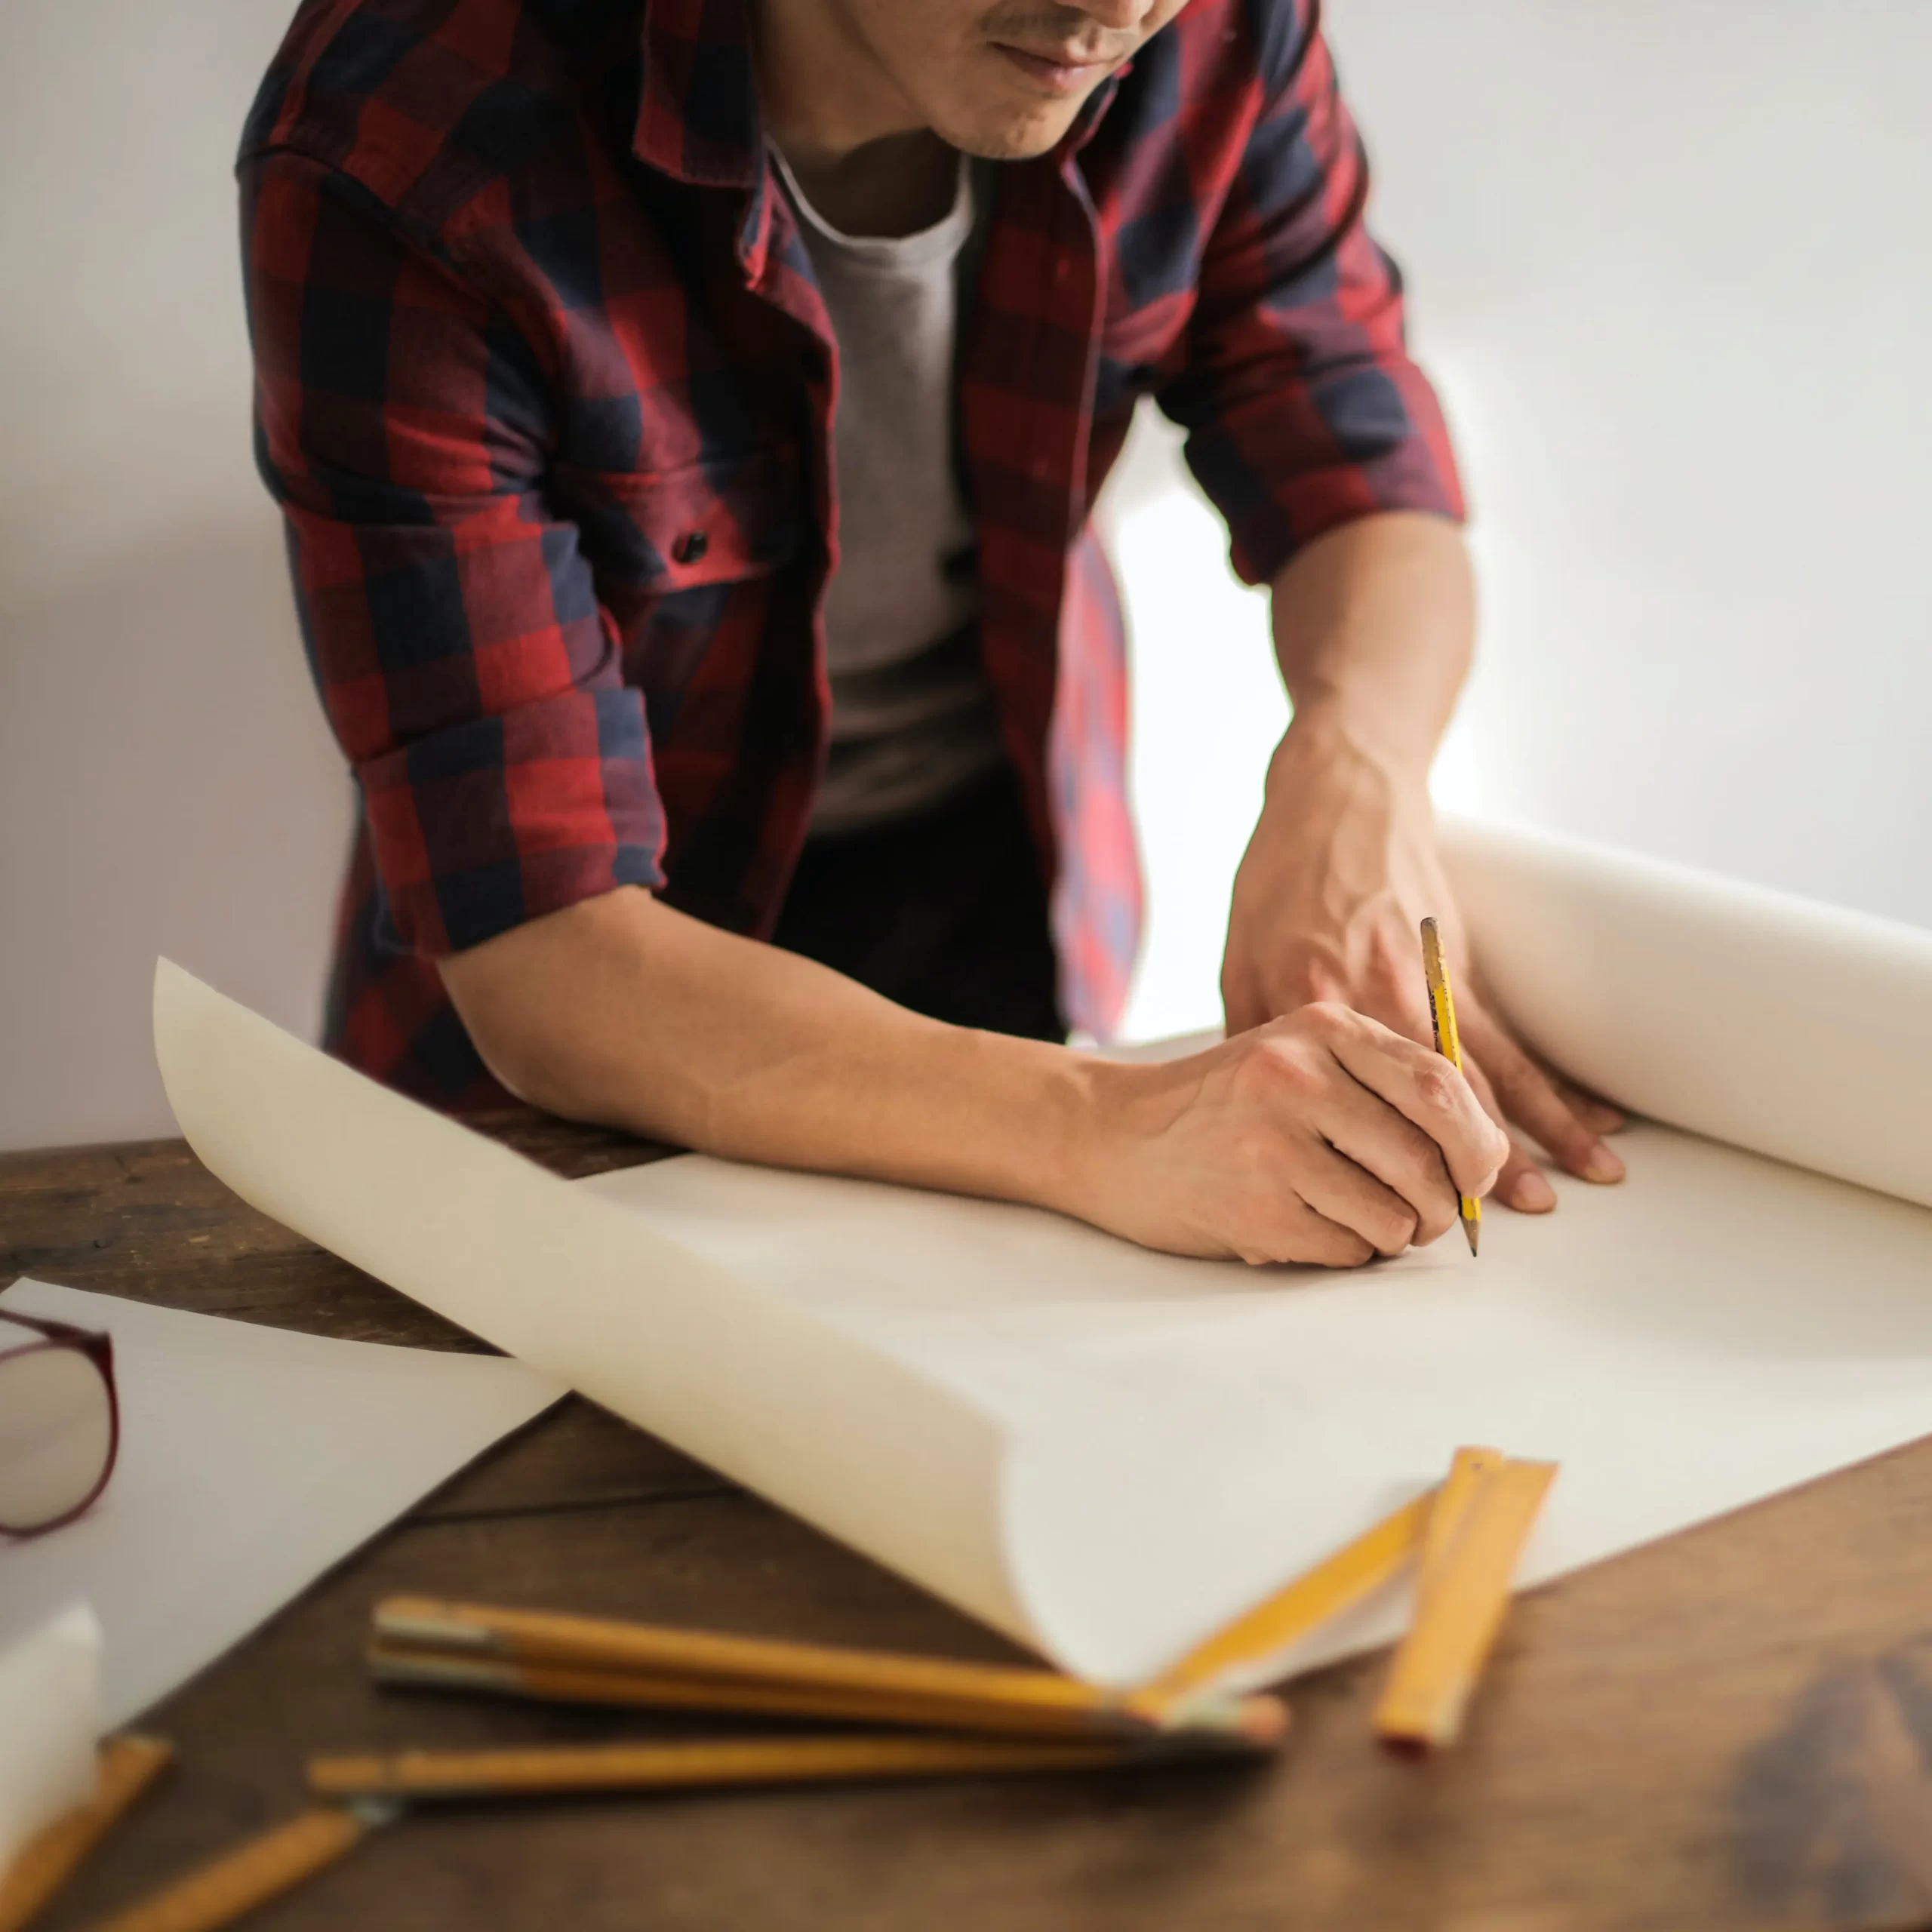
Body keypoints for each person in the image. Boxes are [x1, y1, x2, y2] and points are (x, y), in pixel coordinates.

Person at [240, 0, 1623, 1269]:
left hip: (995, 885)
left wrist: (1352, 773)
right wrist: (1106, 1127)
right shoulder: (407, 133)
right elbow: (545, 953)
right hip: (592, 1035)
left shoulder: (1210, 33)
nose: (1114, 12)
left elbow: (1361, 462)